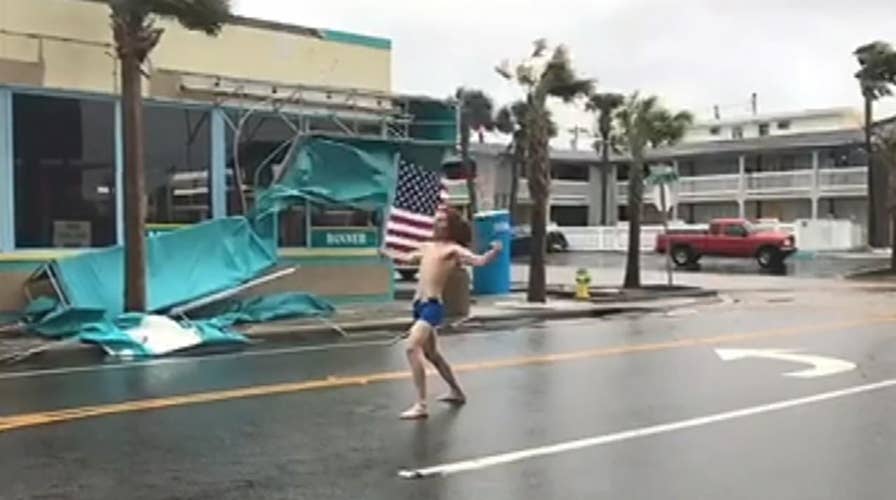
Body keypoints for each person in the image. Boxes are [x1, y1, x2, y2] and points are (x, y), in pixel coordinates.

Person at [380, 209, 503, 419]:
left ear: (450, 226)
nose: (438, 223)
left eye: (443, 221)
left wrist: (494, 252)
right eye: (436, 220)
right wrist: (388, 253)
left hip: (432, 307)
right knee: (432, 355)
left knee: (411, 348)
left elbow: (478, 261)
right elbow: (409, 259)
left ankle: (421, 404)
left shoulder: (453, 250)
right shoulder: (427, 247)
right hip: (418, 306)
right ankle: (457, 392)